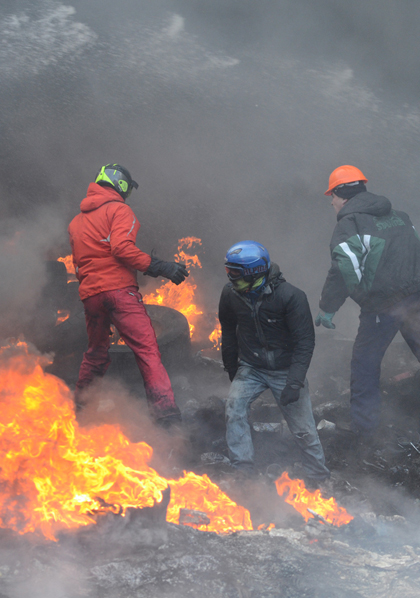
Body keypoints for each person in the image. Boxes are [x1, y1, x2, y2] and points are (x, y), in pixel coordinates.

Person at [68, 163, 189, 425]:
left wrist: (92, 287)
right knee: (147, 351)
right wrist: (161, 267)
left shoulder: (76, 222)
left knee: (96, 353)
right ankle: (167, 417)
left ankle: (80, 412)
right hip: (119, 293)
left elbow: (78, 265)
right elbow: (121, 249)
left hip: (91, 296)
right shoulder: (120, 210)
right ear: (121, 185)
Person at [316, 165, 420, 438]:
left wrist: (328, 307)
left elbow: (343, 269)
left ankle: (365, 432)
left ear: (341, 195)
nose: (331, 203)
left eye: (332, 197)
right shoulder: (400, 217)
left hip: (382, 307)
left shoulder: (350, 224)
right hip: (415, 299)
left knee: (365, 364)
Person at [218, 240, 330, 484]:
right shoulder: (230, 294)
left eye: (235, 273)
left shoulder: (291, 297)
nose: (230, 278)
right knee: (234, 409)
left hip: (285, 370)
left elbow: (305, 342)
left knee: (303, 429)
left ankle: (319, 477)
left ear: (254, 272)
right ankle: (243, 472)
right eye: (228, 271)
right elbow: (228, 330)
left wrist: (294, 382)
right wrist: (232, 368)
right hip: (251, 367)